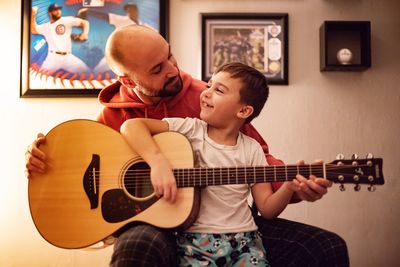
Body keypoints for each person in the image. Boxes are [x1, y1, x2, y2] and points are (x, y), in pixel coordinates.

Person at [25, 25, 349, 267]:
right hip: (157, 224)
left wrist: (296, 185)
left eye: (169, 56)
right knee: (136, 249)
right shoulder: (114, 114)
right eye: (156, 69)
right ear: (127, 79)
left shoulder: (207, 98)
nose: (173, 70)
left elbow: (256, 157)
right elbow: (81, 166)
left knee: (325, 247)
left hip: (230, 221)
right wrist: (43, 159)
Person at [119, 62, 303, 266]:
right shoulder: (189, 128)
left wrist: (289, 186)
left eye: (218, 90)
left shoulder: (252, 149)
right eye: (209, 85)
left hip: (245, 242)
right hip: (193, 244)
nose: (205, 93)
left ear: (243, 111)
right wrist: (158, 163)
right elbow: (131, 126)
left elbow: (267, 208)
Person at [77, 2, 152, 74]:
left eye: (133, 9)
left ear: (136, 10)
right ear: (127, 11)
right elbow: (104, 16)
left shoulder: (143, 25)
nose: (131, 11)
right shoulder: (122, 20)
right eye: (129, 9)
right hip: (117, 53)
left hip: (133, 56)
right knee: (98, 70)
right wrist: (89, 11)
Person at [31, 4, 91, 74]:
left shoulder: (66, 20)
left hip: (68, 57)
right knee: (40, 77)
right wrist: (33, 14)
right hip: (53, 58)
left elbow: (84, 22)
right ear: (50, 13)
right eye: (55, 10)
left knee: (88, 72)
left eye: (59, 9)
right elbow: (33, 29)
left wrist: (85, 33)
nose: (58, 11)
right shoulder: (45, 27)